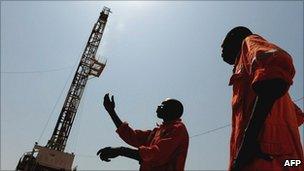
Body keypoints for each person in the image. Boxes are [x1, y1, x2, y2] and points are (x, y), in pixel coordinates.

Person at [221, 26, 304, 171]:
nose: (221, 50)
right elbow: (297, 116)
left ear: (235, 37)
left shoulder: (249, 42)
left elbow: (276, 59)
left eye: (223, 44)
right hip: (288, 162)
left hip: (265, 159)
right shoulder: (259, 80)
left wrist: (249, 140)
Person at [97, 94, 189, 171]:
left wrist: (120, 151)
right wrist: (111, 112)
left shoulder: (178, 129)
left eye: (163, 104)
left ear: (172, 110)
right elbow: (132, 136)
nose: (158, 106)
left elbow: (154, 154)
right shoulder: (157, 131)